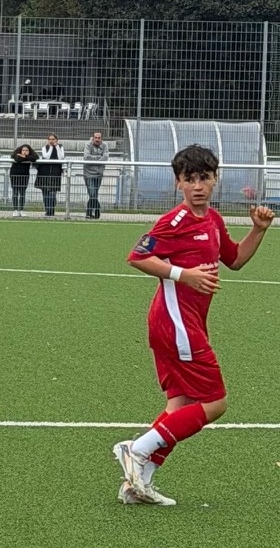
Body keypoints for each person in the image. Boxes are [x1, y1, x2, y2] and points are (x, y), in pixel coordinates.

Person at [113, 144, 273, 507]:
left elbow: (235, 259)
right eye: (189, 179)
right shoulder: (174, 222)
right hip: (176, 324)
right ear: (178, 183)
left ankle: (138, 483)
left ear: (216, 179)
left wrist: (258, 230)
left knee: (181, 404)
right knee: (215, 402)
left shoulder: (213, 219)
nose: (197, 186)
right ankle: (136, 449)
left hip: (186, 324)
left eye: (204, 178)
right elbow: (137, 257)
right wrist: (182, 274)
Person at [36, 133, 65, 218]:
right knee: (45, 193)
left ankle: (51, 209)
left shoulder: (60, 147)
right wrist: (51, 147)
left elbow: (61, 157)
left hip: (55, 172)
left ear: (56, 140)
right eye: (50, 139)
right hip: (45, 172)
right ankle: (47, 210)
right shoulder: (44, 148)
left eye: (53, 139)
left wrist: (57, 147)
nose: (51, 141)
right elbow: (46, 157)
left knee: (52, 193)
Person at [84, 131, 109, 219]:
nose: (97, 139)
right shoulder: (88, 145)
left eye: (99, 138)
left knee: (94, 194)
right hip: (88, 173)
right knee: (92, 193)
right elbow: (86, 157)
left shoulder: (105, 145)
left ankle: (89, 213)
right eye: (96, 137)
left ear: (101, 138)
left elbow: (106, 157)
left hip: (99, 174)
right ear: (93, 138)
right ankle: (97, 209)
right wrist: (99, 158)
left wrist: (94, 159)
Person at [9, 144, 38, 217]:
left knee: (22, 193)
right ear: (20, 150)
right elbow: (18, 159)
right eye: (23, 150)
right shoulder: (16, 155)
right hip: (15, 175)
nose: (24, 152)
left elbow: (35, 158)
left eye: (26, 150)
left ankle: (21, 210)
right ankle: (15, 210)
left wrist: (24, 157)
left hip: (24, 175)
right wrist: (25, 158)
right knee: (15, 192)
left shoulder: (30, 156)